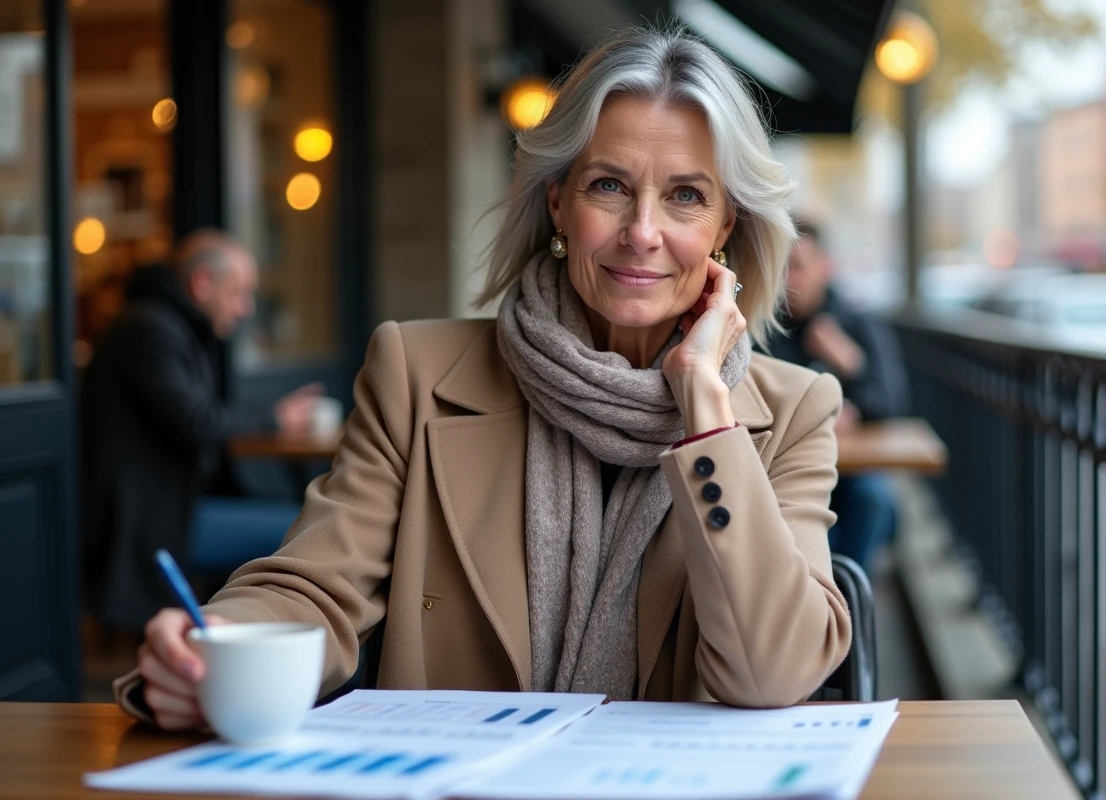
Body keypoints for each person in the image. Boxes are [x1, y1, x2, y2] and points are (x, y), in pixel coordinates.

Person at [120, 28, 852, 730]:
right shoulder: (416, 374)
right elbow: (315, 587)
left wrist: (704, 405)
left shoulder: (796, 411)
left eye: (686, 196)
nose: (642, 231)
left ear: (726, 225)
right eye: (609, 185)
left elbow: (774, 673)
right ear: (558, 201)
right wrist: (215, 646)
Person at [82, 230, 323, 634]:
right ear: (202, 282)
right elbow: (196, 420)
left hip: (173, 508)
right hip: (151, 523)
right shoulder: (148, 329)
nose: (246, 308)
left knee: (302, 517)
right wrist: (277, 417)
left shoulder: (163, 324)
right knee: (304, 531)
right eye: (239, 293)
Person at [762, 219, 909, 570]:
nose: (787, 280)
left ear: (825, 267)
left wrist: (849, 362)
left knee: (872, 499)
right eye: (780, 269)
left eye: (797, 266)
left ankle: (847, 598)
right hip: (786, 470)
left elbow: (893, 401)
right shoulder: (765, 327)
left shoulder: (857, 322)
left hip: (850, 472)